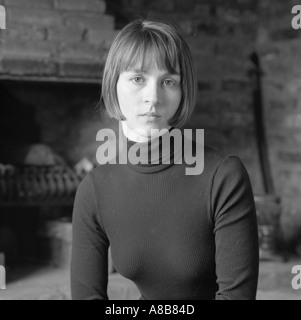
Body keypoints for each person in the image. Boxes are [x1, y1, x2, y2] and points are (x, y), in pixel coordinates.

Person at [71, 19, 259, 300]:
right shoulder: (95, 188)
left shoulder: (223, 177)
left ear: (183, 92)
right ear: (114, 84)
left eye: (168, 81)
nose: (153, 98)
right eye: (137, 79)